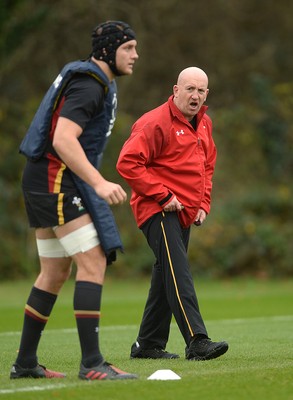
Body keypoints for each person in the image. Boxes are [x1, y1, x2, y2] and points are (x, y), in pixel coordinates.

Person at [10, 21, 139, 380]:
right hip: (55, 180)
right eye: (128, 48)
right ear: (107, 50)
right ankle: (93, 363)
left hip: (42, 179)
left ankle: (24, 364)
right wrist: (98, 182)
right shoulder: (89, 83)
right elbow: (65, 138)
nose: (135, 55)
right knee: (93, 261)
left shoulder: (92, 81)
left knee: (53, 273)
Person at [116, 67, 229, 361]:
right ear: (175, 90)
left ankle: (148, 344)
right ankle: (197, 340)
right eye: (189, 89)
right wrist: (163, 195)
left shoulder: (204, 124)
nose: (195, 96)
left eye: (200, 90)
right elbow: (128, 163)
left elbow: (207, 165)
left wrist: (203, 203)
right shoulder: (154, 122)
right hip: (157, 208)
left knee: (166, 272)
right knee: (178, 271)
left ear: (207, 94)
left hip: (185, 212)